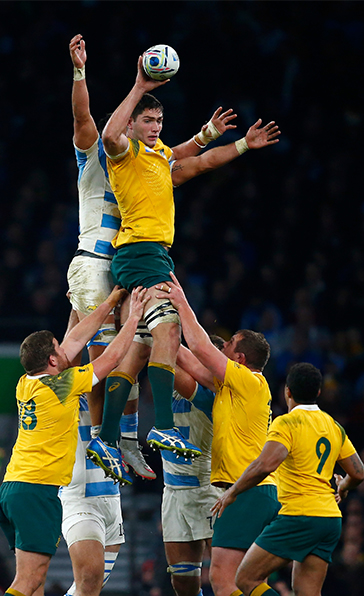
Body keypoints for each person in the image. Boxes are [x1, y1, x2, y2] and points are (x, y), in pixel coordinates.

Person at [87, 50, 279, 475]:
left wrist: (239, 142)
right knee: (169, 330)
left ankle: (106, 436)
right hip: (142, 252)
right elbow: (109, 135)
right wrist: (139, 85)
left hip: (147, 255)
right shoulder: (125, 155)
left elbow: (200, 160)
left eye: (159, 120)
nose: (155, 127)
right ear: (133, 124)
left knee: (138, 350)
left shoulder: (159, 157)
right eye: (147, 121)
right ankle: (164, 427)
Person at [66, 34, 235, 481]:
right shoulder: (96, 153)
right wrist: (80, 71)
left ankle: (122, 438)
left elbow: (178, 157)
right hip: (95, 263)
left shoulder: (143, 160)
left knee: (135, 347)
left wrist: (209, 135)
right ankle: (100, 439)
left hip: (118, 266)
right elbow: (84, 116)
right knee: (104, 360)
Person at [0, 286, 149, 596]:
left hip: (13, 488)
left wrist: (101, 304)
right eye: (58, 350)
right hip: (37, 491)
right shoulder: (63, 385)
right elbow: (110, 359)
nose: (64, 350)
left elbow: (70, 343)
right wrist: (132, 318)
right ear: (53, 360)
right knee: (29, 579)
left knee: (34, 583)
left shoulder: (26, 382)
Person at [156, 276, 281, 596]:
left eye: (227, 349)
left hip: (231, 489)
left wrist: (173, 306)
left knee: (233, 578)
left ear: (237, 359)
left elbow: (193, 352)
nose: (220, 352)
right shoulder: (230, 386)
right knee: (222, 580)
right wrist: (155, 326)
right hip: (204, 490)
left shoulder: (235, 384)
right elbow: (185, 355)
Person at [213, 362, 364, 596]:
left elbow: (267, 463)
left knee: (247, 578)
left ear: (288, 392)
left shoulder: (287, 422)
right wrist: (343, 487)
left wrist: (233, 492)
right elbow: (358, 472)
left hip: (299, 514)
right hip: (330, 518)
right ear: (319, 392)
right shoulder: (332, 425)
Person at [44, 389, 123, 596]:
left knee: (85, 587)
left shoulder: (118, 390)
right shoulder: (65, 390)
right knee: (88, 580)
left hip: (112, 500)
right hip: (79, 499)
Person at [165, 337, 226, 596]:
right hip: (174, 493)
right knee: (184, 583)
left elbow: (165, 358)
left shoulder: (210, 393)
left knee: (232, 580)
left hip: (209, 490)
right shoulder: (170, 387)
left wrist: (156, 330)